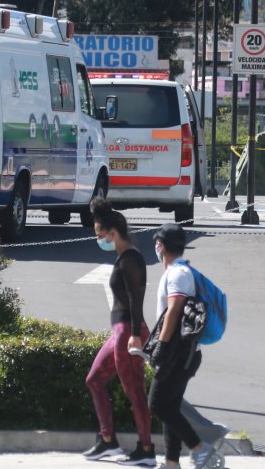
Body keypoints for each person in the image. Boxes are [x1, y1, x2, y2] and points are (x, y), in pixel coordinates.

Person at [82, 198, 155, 466]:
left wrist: (135, 334)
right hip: (120, 331)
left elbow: (137, 298)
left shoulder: (131, 258)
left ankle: (146, 450)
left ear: (113, 233)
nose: (99, 239)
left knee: (134, 390)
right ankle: (108, 441)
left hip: (128, 332)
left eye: (100, 234)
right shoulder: (124, 256)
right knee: (94, 380)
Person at [148, 223, 213, 469]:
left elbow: (174, 310)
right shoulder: (179, 271)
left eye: (157, 243)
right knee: (171, 407)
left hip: (178, 354)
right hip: (183, 353)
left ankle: (199, 448)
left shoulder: (178, 274)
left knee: (156, 404)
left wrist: (161, 347)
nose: (155, 247)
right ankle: (172, 463)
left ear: (161, 246)